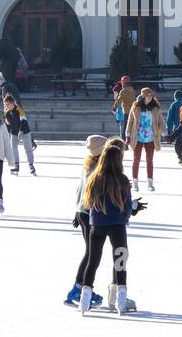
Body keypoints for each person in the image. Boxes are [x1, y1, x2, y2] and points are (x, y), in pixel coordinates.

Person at [79, 139, 148, 314]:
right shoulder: (122, 180)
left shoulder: (94, 179)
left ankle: (84, 300)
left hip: (97, 226)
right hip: (117, 226)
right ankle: (121, 301)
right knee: (120, 261)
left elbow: (87, 204)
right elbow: (125, 206)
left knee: (93, 262)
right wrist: (126, 216)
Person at [65, 135, 108, 308]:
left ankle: (83, 287)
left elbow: (79, 188)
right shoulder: (96, 167)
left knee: (91, 253)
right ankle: (78, 288)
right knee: (92, 254)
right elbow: (88, 190)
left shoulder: (89, 163)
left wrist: (77, 210)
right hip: (89, 212)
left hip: (83, 211)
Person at [125, 87, 164, 191]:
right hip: (137, 137)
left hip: (151, 137)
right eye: (147, 96)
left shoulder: (155, 108)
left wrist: (165, 133)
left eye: (151, 96)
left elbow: (161, 121)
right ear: (143, 96)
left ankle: (150, 183)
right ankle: (135, 182)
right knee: (136, 160)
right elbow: (130, 121)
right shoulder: (136, 107)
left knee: (149, 160)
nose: (149, 98)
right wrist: (128, 135)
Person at [3, 93, 36, 176]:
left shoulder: (19, 110)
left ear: (13, 103)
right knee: (13, 148)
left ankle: (31, 165)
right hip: (14, 133)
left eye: (9, 104)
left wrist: (21, 132)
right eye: (6, 104)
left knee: (28, 149)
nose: (7, 106)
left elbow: (24, 122)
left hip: (24, 132)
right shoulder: (7, 113)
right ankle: (16, 165)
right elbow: (7, 125)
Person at [112, 76, 136, 142]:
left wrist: (114, 108)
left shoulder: (123, 91)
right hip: (133, 110)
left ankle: (123, 142)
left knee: (125, 127)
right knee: (131, 126)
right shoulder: (132, 90)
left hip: (126, 111)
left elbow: (118, 100)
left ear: (123, 83)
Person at [166, 90, 182, 165]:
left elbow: (170, 119)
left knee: (177, 143)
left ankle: (181, 156)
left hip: (177, 127)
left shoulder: (173, 105)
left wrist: (169, 130)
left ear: (175, 97)